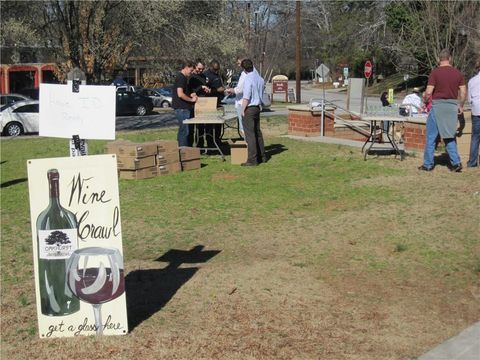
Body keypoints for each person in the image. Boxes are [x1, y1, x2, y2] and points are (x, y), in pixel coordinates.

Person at [419, 49, 466, 172]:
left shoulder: (435, 73)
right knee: (449, 136)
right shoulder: (458, 73)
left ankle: (428, 165)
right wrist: (460, 105)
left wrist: (424, 101)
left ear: (439, 59)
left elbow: (428, 92)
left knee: (431, 137)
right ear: (449, 58)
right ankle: (456, 163)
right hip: (451, 107)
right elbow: (463, 91)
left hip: (438, 107)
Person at [241, 58, 267, 166]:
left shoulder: (248, 79)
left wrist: (242, 109)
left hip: (250, 108)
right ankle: (262, 156)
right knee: (258, 133)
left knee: (250, 135)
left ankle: (252, 160)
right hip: (257, 107)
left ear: (244, 69)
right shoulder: (260, 79)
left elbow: (246, 96)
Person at [172, 60, 197, 147]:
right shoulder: (181, 77)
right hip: (182, 108)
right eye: (191, 70)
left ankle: (187, 150)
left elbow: (184, 92)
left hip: (185, 108)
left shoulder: (184, 78)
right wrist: (191, 100)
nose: (191, 72)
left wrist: (190, 94)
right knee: (184, 131)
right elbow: (180, 94)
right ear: (186, 68)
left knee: (187, 130)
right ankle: (183, 151)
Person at [188, 59, 210, 146]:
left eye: (202, 69)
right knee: (193, 127)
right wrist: (201, 87)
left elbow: (204, 87)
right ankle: (191, 145)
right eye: (199, 68)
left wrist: (207, 89)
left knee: (202, 126)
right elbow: (191, 90)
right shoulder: (191, 77)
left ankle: (200, 145)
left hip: (203, 102)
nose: (200, 71)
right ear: (195, 66)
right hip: (194, 103)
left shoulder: (203, 76)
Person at [204, 60, 225, 148]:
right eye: (215, 69)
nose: (216, 71)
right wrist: (216, 90)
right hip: (210, 102)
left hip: (218, 102)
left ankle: (217, 140)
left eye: (218, 69)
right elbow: (206, 90)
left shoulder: (218, 75)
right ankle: (210, 142)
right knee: (210, 124)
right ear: (211, 67)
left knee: (218, 123)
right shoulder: (206, 75)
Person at [467, 59, 480, 168]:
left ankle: (472, 162)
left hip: (476, 110)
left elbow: (469, 99)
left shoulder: (472, 81)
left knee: (475, 137)